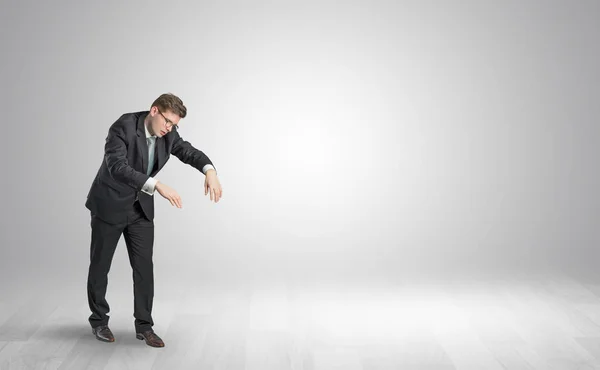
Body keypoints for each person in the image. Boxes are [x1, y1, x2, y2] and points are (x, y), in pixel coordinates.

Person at [84, 93, 222, 347]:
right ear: (154, 111)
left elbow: (188, 152)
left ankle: (144, 326)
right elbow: (117, 166)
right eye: (167, 122)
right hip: (110, 204)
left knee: (144, 269)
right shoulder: (123, 127)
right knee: (100, 265)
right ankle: (99, 321)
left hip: (140, 210)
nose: (169, 129)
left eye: (174, 125)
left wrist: (210, 170)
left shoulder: (169, 133)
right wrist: (157, 185)